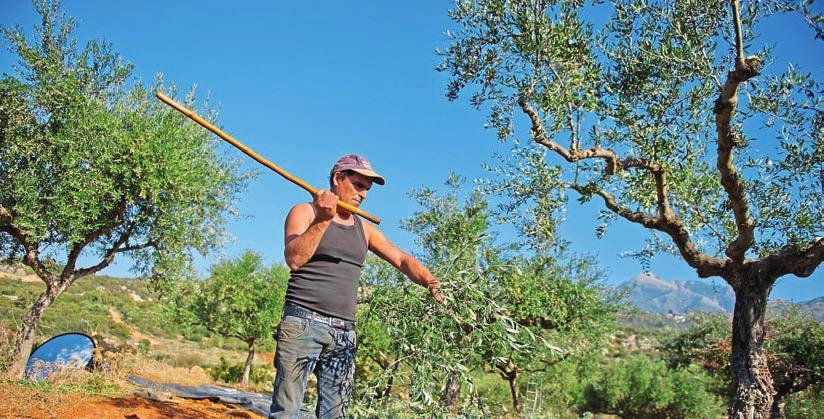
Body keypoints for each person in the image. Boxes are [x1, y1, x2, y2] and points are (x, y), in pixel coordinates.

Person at [269, 154, 443, 418]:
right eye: (359, 185)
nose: (363, 195)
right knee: (286, 410)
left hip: (344, 333)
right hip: (303, 323)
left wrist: (429, 281)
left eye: (367, 189)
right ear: (338, 179)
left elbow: (401, 258)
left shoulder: (364, 228)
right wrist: (324, 219)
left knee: (335, 414)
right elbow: (294, 259)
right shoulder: (305, 212)